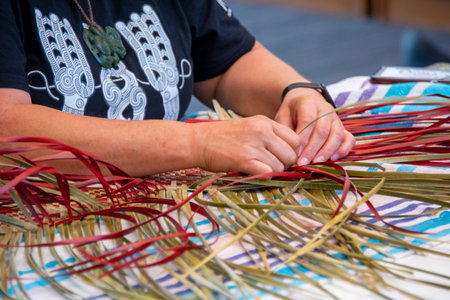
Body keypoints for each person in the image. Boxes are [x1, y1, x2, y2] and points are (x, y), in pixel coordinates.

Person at [0, 0, 354, 177]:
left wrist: (296, 92)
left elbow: (227, 63)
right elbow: (8, 130)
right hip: (47, 221)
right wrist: (196, 143)